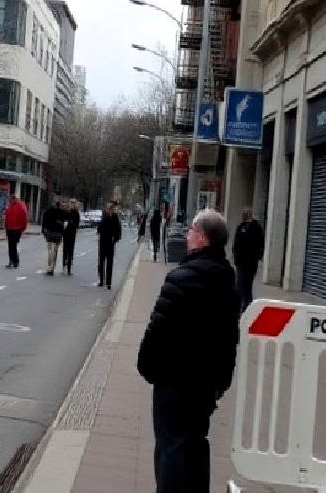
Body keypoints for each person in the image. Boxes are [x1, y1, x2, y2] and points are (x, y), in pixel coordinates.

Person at [137, 209, 240, 493]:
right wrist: (221, 381)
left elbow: (157, 331)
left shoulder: (181, 277)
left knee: (170, 448)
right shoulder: (227, 282)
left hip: (174, 381)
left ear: (203, 238)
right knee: (196, 444)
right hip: (204, 385)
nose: (187, 234)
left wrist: (147, 367)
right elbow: (229, 339)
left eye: (192, 229)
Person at [232, 206, 265, 312]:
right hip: (241, 262)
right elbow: (236, 243)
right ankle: (241, 306)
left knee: (246, 285)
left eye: (246, 213)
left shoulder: (256, 227)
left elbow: (260, 243)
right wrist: (235, 256)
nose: (244, 215)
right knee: (241, 284)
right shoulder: (240, 226)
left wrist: (258, 256)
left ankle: (246, 306)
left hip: (250, 262)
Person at [96, 201, 122, 288]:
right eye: (107, 208)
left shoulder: (115, 217)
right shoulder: (104, 216)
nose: (108, 210)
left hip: (110, 243)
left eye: (110, 208)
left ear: (112, 209)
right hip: (103, 242)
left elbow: (118, 230)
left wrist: (115, 239)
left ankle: (108, 283)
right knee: (101, 262)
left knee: (109, 263)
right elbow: (100, 227)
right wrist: (98, 230)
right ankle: (101, 281)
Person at [3, 192, 29, 269]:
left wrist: (23, 228)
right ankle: (14, 261)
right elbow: (7, 217)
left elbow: (24, 218)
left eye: (11, 199)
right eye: (9, 199)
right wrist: (6, 227)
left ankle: (13, 261)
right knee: (11, 246)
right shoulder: (9, 207)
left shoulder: (20, 206)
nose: (10, 201)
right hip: (10, 229)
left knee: (13, 246)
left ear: (14, 199)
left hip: (17, 229)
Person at [41, 198, 65, 275]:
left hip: (50, 232)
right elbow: (63, 224)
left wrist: (43, 231)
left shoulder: (48, 211)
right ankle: (52, 267)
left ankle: (49, 267)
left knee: (50, 250)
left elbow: (44, 222)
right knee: (55, 251)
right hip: (58, 234)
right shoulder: (62, 212)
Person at [61, 198, 82, 275]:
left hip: (72, 233)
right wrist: (64, 224)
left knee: (70, 250)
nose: (72, 204)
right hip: (65, 233)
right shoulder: (65, 212)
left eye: (73, 203)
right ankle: (63, 266)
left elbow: (76, 224)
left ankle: (69, 268)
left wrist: (69, 223)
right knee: (64, 250)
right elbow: (62, 220)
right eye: (71, 202)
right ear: (68, 203)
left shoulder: (76, 213)